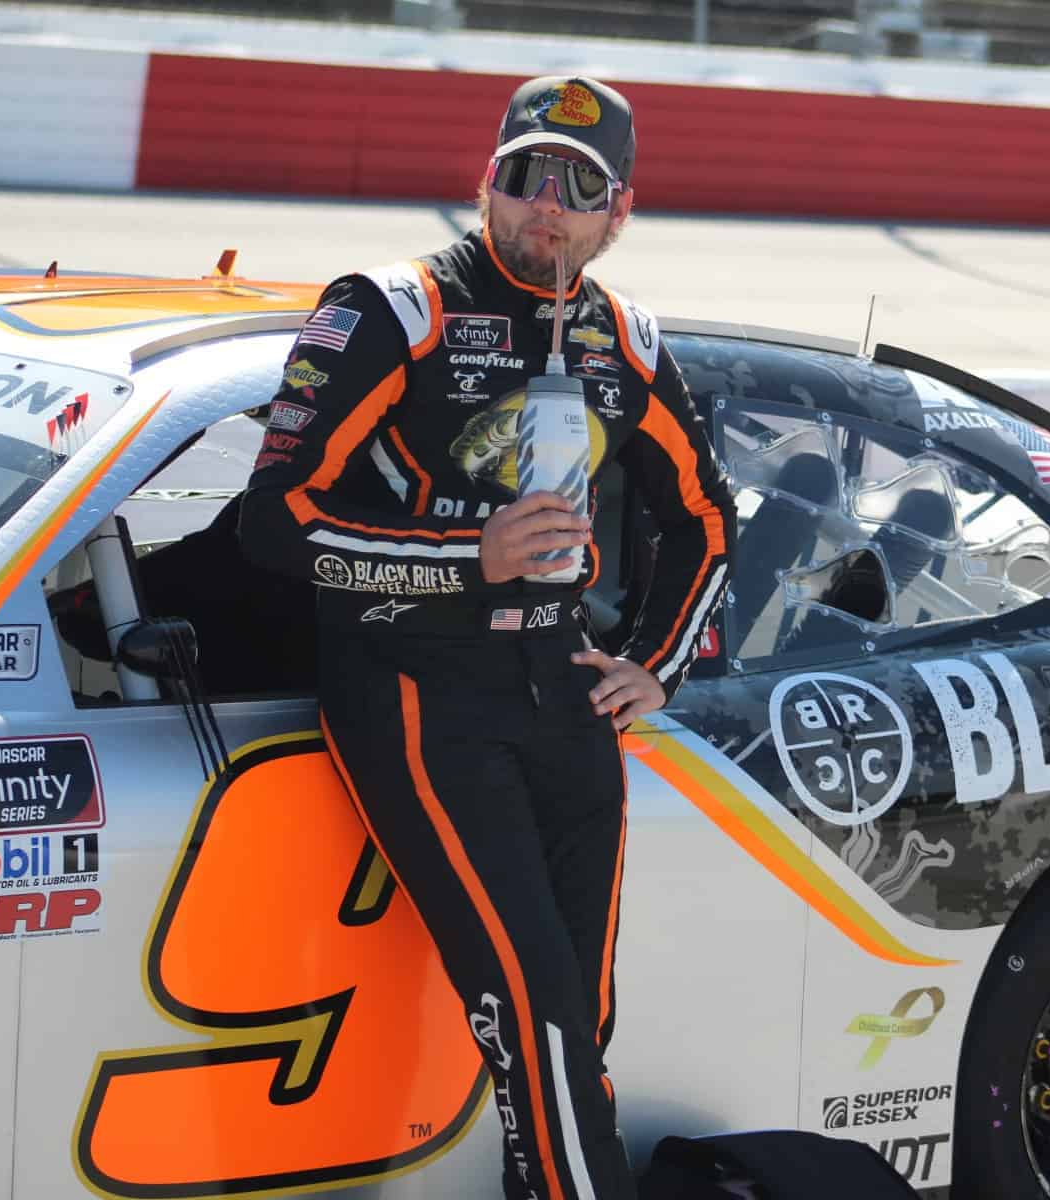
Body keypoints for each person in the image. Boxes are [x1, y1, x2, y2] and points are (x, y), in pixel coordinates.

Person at [237, 75, 734, 1200]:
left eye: (579, 185)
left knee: (580, 1016)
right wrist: (471, 557)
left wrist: (656, 662)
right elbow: (274, 520)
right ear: (486, 179)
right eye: (525, 173)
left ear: (620, 211)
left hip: (567, 689)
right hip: (418, 686)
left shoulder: (626, 339)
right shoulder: (394, 310)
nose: (546, 204)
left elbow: (707, 517)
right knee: (534, 1008)